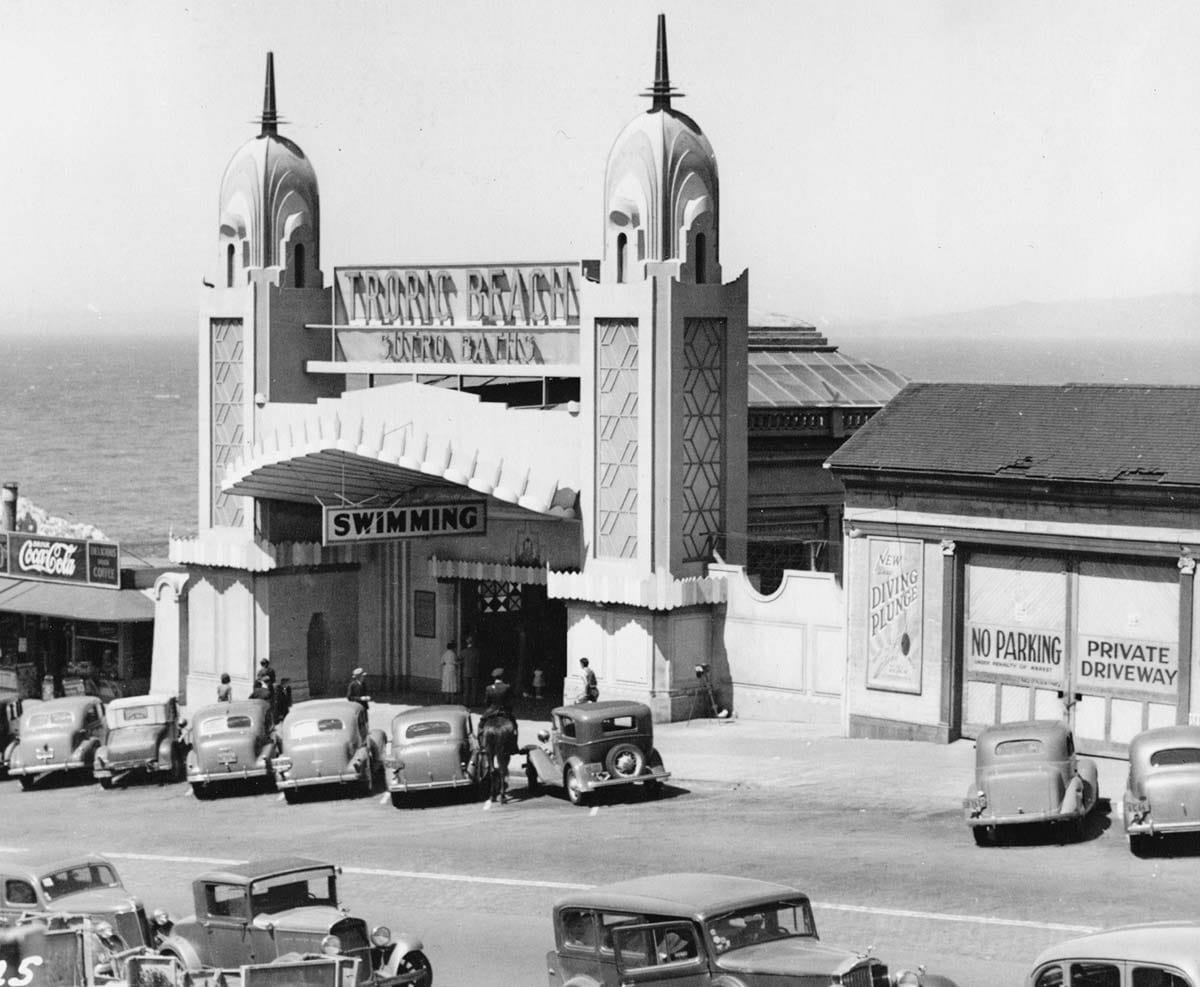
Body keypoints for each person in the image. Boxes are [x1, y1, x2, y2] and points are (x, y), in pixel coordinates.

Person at [480, 667, 519, 754]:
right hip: (504, 711)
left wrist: (489, 708)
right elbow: (510, 700)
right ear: (503, 677)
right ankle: (514, 746)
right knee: (515, 727)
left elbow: (487, 702)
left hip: (491, 711)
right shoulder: (507, 687)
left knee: (481, 725)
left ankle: (482, 745)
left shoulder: (489, 688)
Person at [458, 634, 481, 705]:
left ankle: (466, 702)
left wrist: (463, 662)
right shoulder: (476, 651)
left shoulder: (463, 651)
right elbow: (478, 661)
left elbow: (459, 659)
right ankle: (474, 702)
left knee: (466, 688)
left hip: (466, 672)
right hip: (474, 671)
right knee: (474, 688)